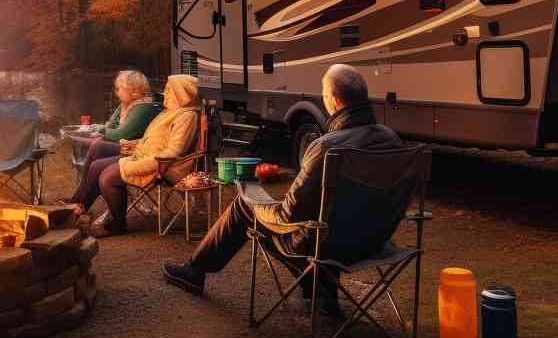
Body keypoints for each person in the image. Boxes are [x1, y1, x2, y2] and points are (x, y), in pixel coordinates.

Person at [162, 65, 403, 315]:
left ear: (333, 99)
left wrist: (251, 195)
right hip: (375, 240)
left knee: (248, 204)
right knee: (325, 221)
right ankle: (321, 292)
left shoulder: (326, 147)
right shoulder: (391, 139)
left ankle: (194, 271)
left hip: (327, 246)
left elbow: (289, 215)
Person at [74, 74, 201, 237]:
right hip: (145, 155)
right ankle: (78, 207)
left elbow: (174, 151)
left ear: (181, 94)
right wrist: (135, 144)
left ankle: (117, 225)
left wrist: (138, 163)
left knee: (106, 178)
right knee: (96, 166)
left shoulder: (186, 116)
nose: (165, 93)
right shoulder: (170, 112)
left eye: (169, 90)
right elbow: (155, 140)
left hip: (164, 166)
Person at [67, 70, 161, 205]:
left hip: (134, 151)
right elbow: (110, 127)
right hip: (122, 147)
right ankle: (79, 201)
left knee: (98, 146)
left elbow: (121, 135)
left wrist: (102, 131)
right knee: (97, 146)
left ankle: (79, 201)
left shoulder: (144, 107)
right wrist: (105, 131)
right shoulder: (125, 105)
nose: (117, 92)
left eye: (119, 89)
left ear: (132, 89)